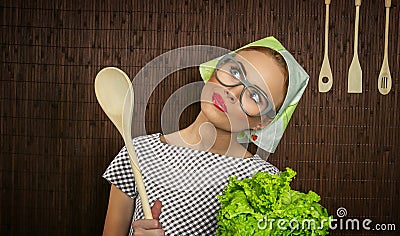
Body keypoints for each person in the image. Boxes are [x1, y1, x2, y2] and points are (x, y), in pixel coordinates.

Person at [102, 36, 309, 235]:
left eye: (255, 96)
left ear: (263, 122)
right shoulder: (139, 151)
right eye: (235, 72)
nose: (233, 92)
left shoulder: (266, 181)